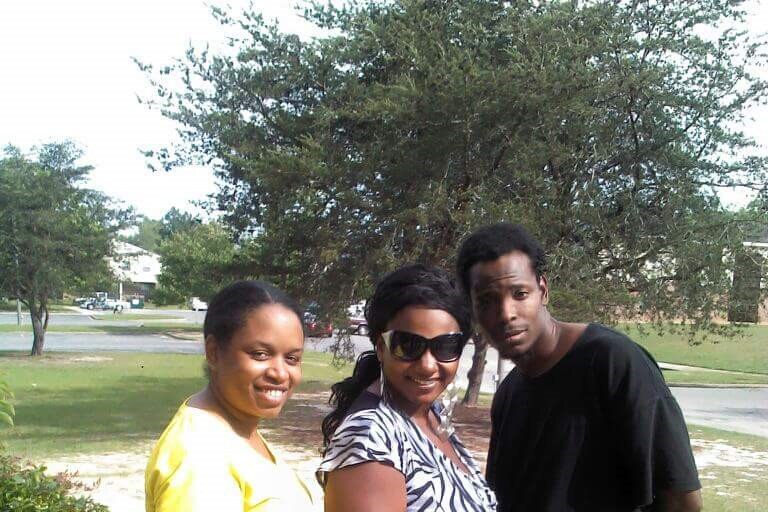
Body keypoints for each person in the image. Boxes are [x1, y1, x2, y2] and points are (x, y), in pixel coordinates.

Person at [456, 223, 702, 512]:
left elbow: (682, 500)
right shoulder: (509, 395)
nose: (506, 313)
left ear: (543, 290)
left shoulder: (613, 362)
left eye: (520, 293)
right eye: (486, 301)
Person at [318, 264, 497, 511]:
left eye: (445, 346)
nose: (427, 365)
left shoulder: (428, 414)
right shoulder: (370, 439)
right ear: (381, 347)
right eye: (408, 345)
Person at [145, 281, 314, 511]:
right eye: (260, 354)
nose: (280, 373)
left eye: (292, 358)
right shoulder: (200, 457)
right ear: (214, 352)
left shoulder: (237, 429)